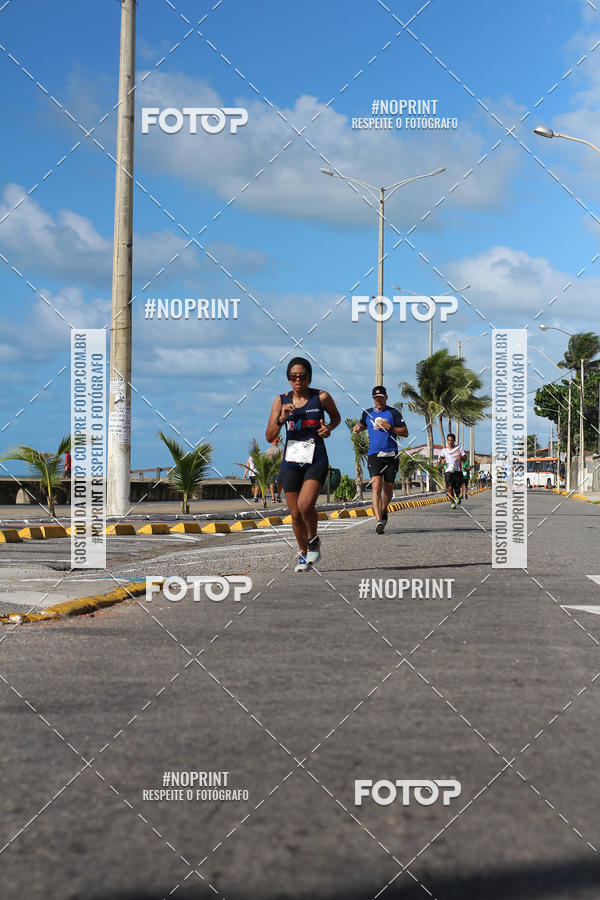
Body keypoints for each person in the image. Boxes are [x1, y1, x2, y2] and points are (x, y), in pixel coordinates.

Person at [266, 357, 341, 571]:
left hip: (315, 458)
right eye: (293, 376)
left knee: (305, 505)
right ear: (288, 378)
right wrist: (281, 419)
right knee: (296, 514)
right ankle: (304, 553)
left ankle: (313, 539)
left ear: (309, 377)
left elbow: (336, 417)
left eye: (302, 376)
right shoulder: (280, 401)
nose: (298, 379)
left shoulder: (322, 397)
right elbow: (269, 435)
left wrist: (328, 428)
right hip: (291, 460)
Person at [353, 386, 408, 534]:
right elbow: (364, 424)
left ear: (386, 398)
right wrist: (358, 427)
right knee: (376, 486)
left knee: (388, 492)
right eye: (376, 398)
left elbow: (405, 432)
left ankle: (383, 510)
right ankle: (378, 520)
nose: (378, 401)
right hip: (374, 455)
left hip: (391, 455)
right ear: (373, 399)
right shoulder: (367, 413)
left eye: (381, 398)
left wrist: (389, 426)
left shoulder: (393, 413)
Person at [439, 433, 467, 509]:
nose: (450, 442)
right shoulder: (444, 450)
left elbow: (465, 457)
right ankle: (452, 503)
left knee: (457, 488)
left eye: (451, 440)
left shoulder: (459, 448)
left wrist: (461, 458)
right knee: (450, 487)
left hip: (457, 471)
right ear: (447, 441)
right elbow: (441, 458)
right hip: (448, 471)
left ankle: (457, 496)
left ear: (454, 441)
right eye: (448, 440)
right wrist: (442, 460)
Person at [265, 438, 282, 503]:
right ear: (277, 443)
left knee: (271, 483)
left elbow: (266, 461)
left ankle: (272, 497)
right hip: (278, 469)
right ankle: (278, 496)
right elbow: (282, 460)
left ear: (272, 443)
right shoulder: (280, 450)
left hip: (270, 469)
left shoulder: (268, 450)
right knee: (279, 483)